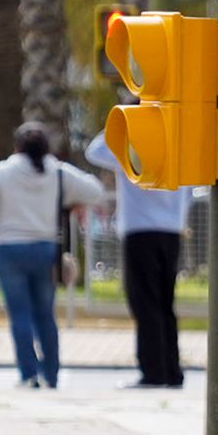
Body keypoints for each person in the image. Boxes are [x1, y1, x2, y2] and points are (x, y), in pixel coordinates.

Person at [0, 123, 103, 389]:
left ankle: (28, 374)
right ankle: (51, 373)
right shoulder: (57, 172)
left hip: (8, 248)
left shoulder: (2, 172)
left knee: (19, 313)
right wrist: (69, 200)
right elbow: (95, 190)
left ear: (16, 145)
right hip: (44, 248)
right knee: (45, 313)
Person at [85, 132, 194, 388]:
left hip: (140, 230)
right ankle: (172, 371)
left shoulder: (130, 144)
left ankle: (153, 372)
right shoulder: (177, 142)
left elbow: (95, 151)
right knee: (165, 304)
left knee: (145, 303)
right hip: (172, 229)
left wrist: (126, 121)